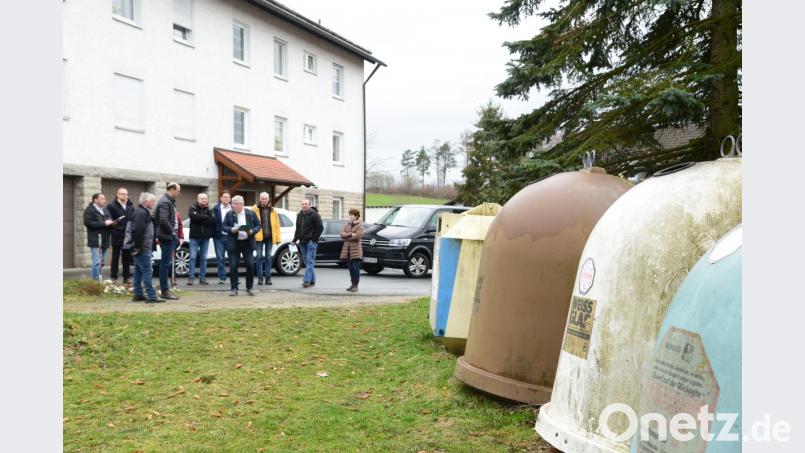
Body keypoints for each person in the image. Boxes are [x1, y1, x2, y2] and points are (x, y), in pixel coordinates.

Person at [125, 192, 164, 303]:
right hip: (142, 248)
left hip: (141, 247)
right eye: (152, 201)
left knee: (138, 271)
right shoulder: (141, 213)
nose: (154, 203)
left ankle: (138, 294)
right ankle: (152, 296)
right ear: (145, 202)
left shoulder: (142, 212)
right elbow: (137, 230)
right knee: (147, 270)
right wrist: (137, 246)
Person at [222, 195, 260, 296]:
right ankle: (234, 288)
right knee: (233, 266)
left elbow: (258, 226)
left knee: (250, 265)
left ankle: (249, 287)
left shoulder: (251, 213)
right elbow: (223, 226)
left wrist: (252, 231)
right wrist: (231, 229)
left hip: (247, 243)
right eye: (232, 203)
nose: (232, 205)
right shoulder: (229, 214)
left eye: (233, 203)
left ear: (240, 204)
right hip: (234, 243)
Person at [155, 182, 181, 300]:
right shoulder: (165, 202)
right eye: (178, 191)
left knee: (166, 264)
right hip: (167, 237)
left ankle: (165, 289)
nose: (179, 193)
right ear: (172, 189)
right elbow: (164, 220)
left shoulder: (168, 201)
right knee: (165, 264)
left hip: (168, 236)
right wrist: (173, 233)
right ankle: (164, 290)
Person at [291, 199, 323, 288]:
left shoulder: (315, 215)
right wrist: (294, 240)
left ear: (309, 205)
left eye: (306, 204)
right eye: (303, 204)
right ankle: (312, 280)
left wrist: (313, 239)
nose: (304, 205)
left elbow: (320, 228)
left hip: (311, 243)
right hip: (302, 242)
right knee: (307, 262)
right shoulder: (299, 215)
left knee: (309, 261)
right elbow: (298, 229)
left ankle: (306, 281)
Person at [251, 192, 281, 286]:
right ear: (259, 199)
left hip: (269, 237)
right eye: (262, 198)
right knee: (258, 257)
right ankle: (260, 278)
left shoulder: (273, 211)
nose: (264, 200)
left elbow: (277, 226)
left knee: (268, 258)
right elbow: (251, 223)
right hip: (258, 237)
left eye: (265, 198)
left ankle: (268, 278)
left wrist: (277, 238)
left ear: (268, 199)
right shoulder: (254, 209)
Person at [83, 193, 115, 281]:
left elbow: (109, 220)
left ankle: (97, 279)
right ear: (95, 200)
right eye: (102, 199)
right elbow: (88, 223)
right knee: (97, 262)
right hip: (95, 239)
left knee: (103, 262)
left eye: (104, 199)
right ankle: (96, 281)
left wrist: (113, 223)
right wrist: (104, 223)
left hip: (105, 239)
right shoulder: (89, 210)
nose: (104, 200)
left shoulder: (105, 210)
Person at [106, 187, 134, 284]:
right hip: (117, 235)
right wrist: (114, 228)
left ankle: (126, 278)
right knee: (115, 257)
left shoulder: (131, 206)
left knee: (127, 257)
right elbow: (109, 219)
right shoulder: (111, 206)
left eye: (126, 194)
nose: (125, 196)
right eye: (122, 194)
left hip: (127, 236)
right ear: (117, 195)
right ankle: (114, 277)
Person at [188, 193, 216, 285]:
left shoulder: (210, 209)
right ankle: (191, 278)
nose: (204, 200)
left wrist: (200, 218)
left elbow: (212, 220)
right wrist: (205, 218)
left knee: (204, 258)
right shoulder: (193, 207)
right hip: (194, 237)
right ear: (198, 199)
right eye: (202, 198)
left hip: (205, 238)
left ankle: (202, 278)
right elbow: (193, 216)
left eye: (205, 198)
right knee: (192, 257)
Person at [340, 208, 364, 292]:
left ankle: (355, 285)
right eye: (349, 214)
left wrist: (347, 236)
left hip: (356, 250)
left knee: (355, 268)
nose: (350, 216)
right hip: (348, 250)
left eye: (352, 215)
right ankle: (352, 284)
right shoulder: (347, 224)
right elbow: (342, 235)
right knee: (350, 268)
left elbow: (357, 237)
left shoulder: (360, 225)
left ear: (356, 216)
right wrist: (350, 234)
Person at [213, 191, 232, 285]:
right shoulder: (216, 208)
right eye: (225, 197)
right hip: (219, 237)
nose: (227, 199)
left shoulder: (233, 208)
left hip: (230, 237)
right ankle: (222, 277)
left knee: (232, 257)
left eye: (228, 197)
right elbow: (212, 222)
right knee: (220, 258)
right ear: (221, 198)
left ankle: (234, 277)